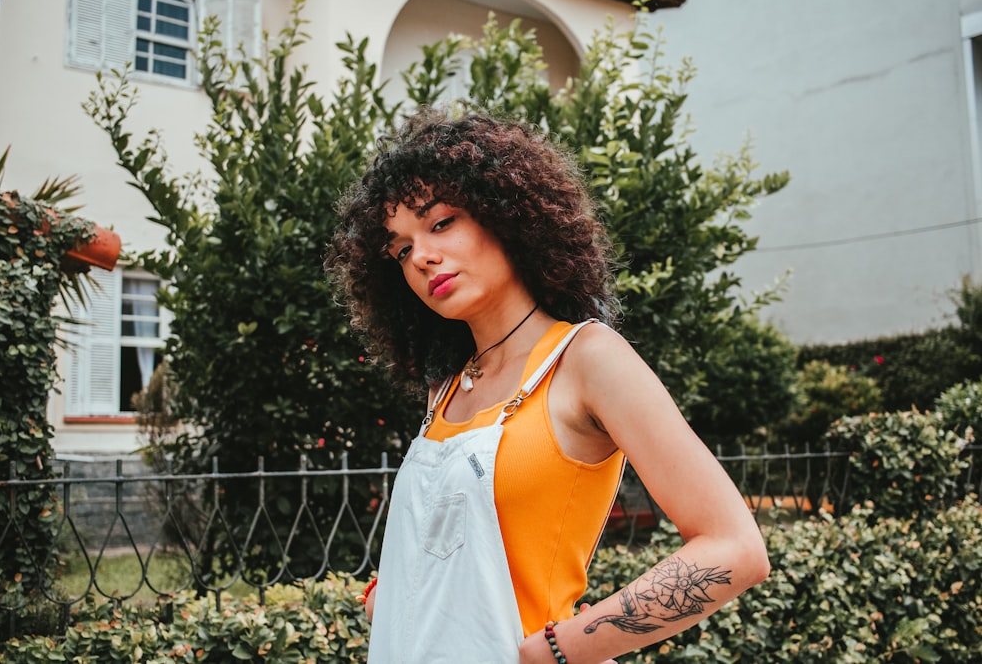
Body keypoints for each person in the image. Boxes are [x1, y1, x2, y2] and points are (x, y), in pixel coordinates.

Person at [326, 107, 770, 664]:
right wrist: (389, 598)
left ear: (505, 214)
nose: (423, 257)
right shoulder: (449, 388)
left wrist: (556, 651)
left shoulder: (587, 359)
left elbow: (735, 549)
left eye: (441, 223)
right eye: (401, 249)